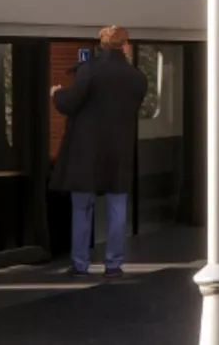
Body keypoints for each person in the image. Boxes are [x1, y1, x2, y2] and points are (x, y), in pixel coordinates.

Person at [49, 25, 149, 278]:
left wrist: (56, 94)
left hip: (86, 151)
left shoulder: (89, 70)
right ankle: (113, 263)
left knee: (82, 206)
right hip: (120, 150)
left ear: (101, 45)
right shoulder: (137, 77)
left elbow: (70, 102)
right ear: (125, 46)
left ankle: (80, 262)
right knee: (117, 206)